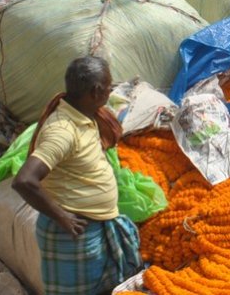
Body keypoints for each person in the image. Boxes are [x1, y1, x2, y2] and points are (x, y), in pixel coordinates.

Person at [12, 57, 141, 294]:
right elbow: (24, 181)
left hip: (94, 229)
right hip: (74, 234)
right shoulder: (62, 131)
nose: (111, 91)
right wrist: (63, 217)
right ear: (95, 91)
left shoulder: (85, 113)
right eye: (109, 86)